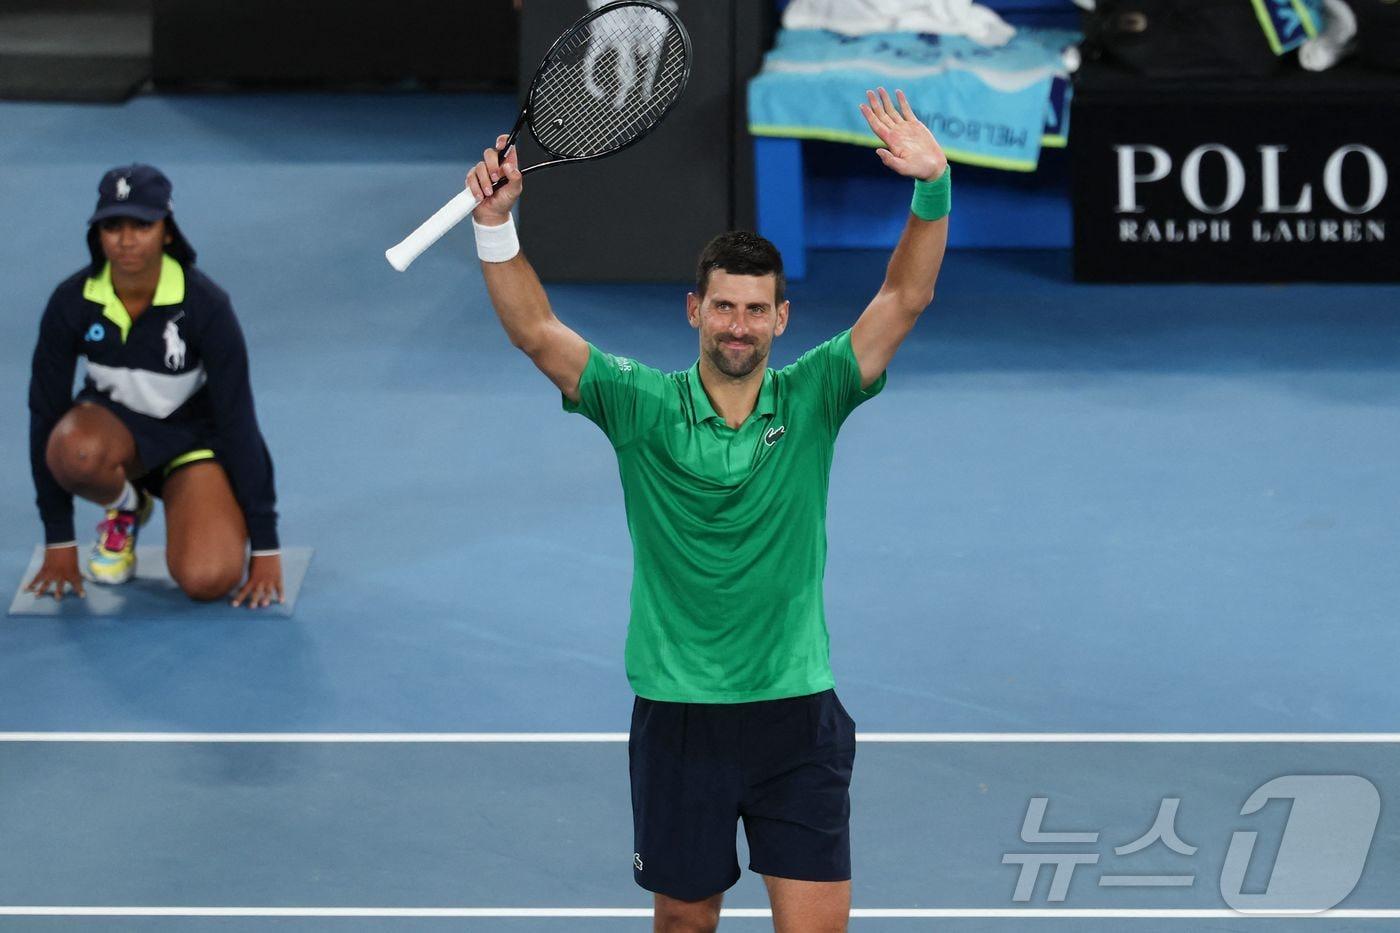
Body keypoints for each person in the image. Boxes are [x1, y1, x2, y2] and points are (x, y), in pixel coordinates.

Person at [469, 88, 948, 932]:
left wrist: (932, 188)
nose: (738, 324)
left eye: (756, 308)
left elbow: (903, 300)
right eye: (723, 305)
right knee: (685, 924)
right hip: (680, 715)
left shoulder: (816, 395)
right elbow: (537, 332)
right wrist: (495, 225)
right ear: (696, 309)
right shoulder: (639, 405)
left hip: (795, 709)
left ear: (781, 318)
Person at [25, 164, 283, 609]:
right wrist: (58, 539)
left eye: (142, 225)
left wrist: (266, 546)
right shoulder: (72, 302)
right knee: (72, 450)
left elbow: (238, 420)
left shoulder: (206, 306)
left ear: (166, 232)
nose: (126, 240)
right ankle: (126, 506)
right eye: (113, 226)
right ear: (98, 233)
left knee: (209, 579)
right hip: (114, 435)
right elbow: (44, 410)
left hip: (192, 443)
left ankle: (182, 501)